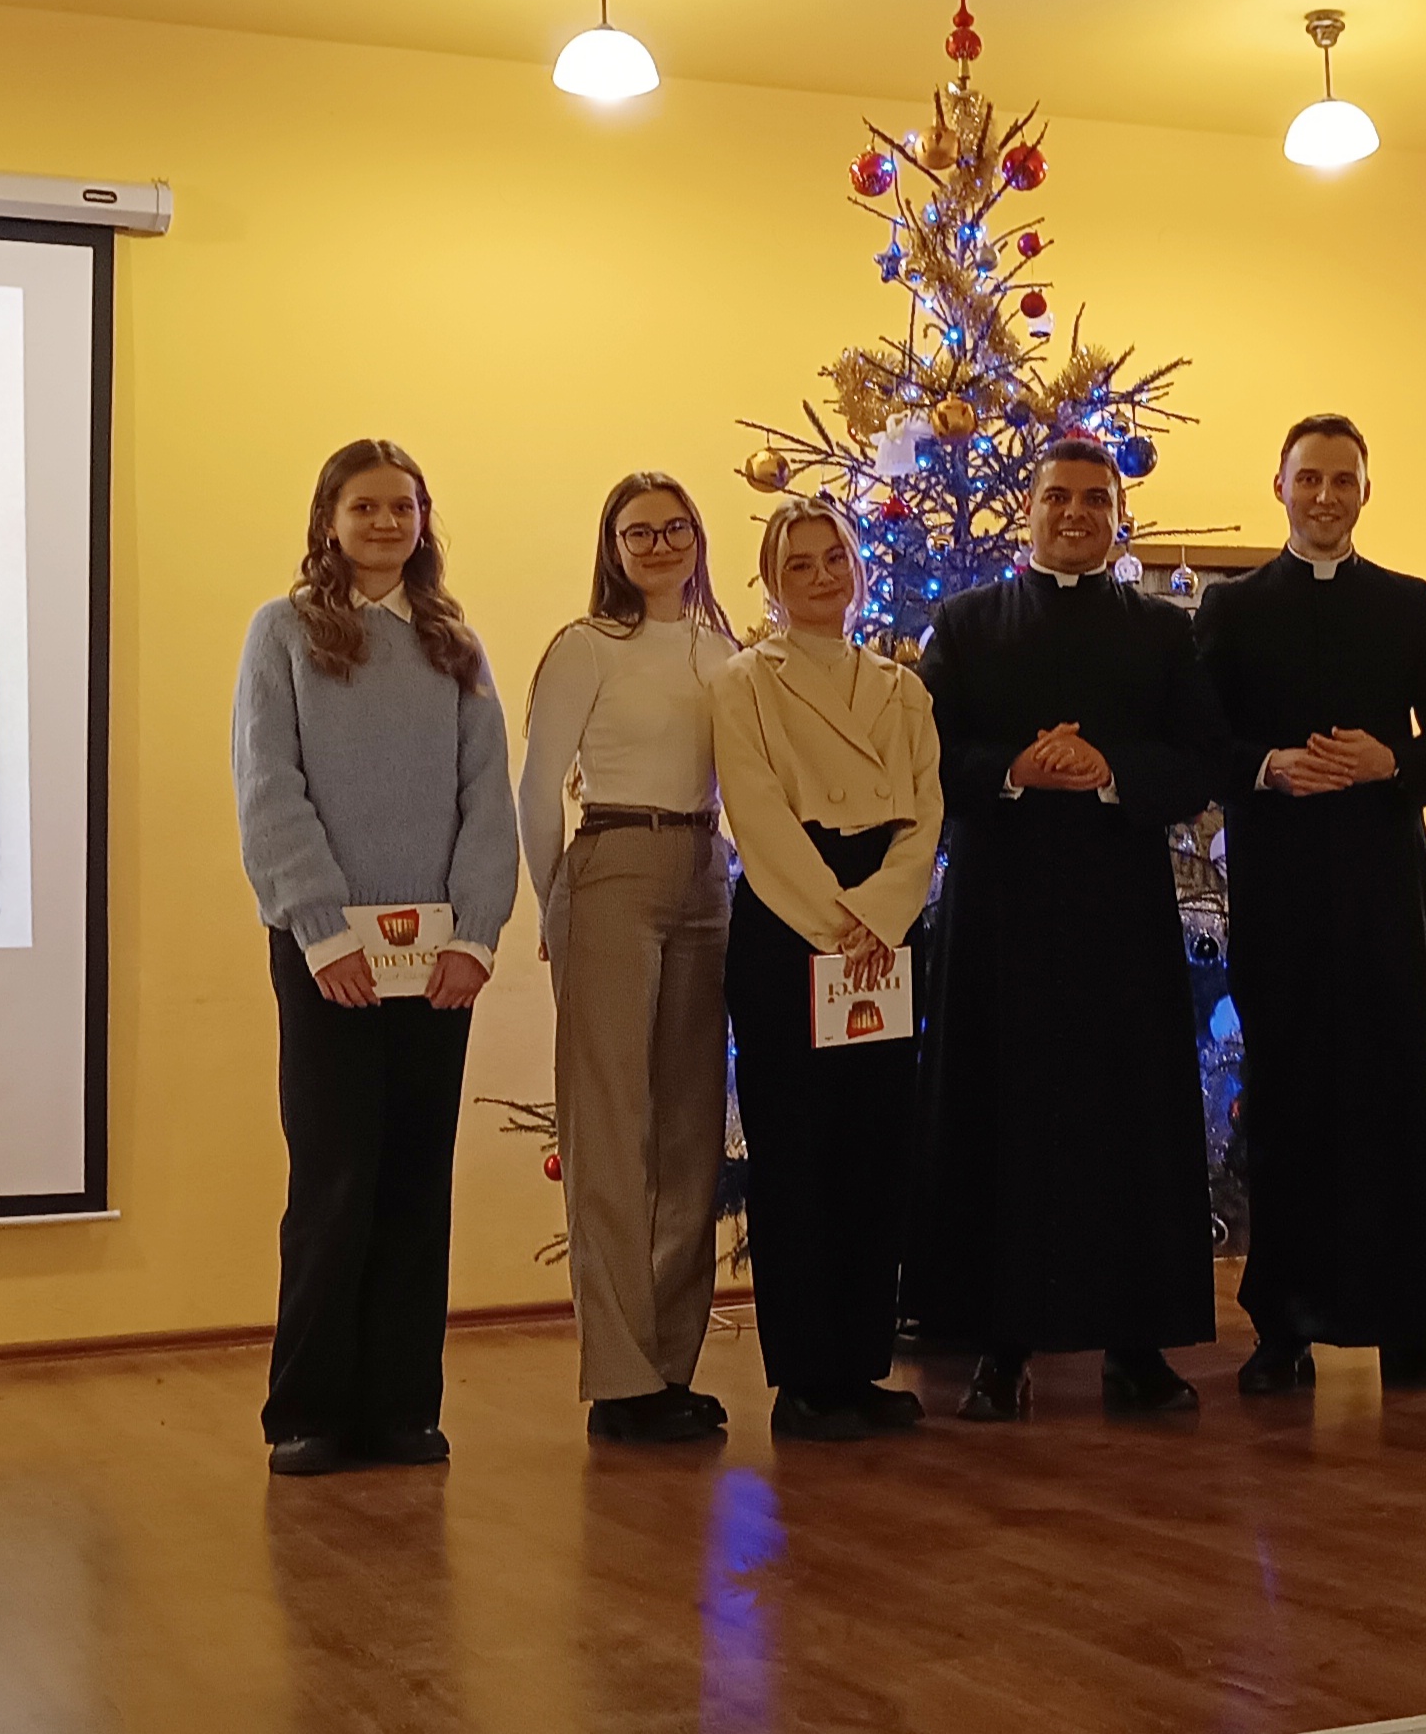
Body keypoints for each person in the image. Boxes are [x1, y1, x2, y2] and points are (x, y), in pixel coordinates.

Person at [910, 438, 1239, 1421]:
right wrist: (1014, 768)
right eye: (1059, 496)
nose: (1076, 513)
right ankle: (998, 1347)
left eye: (1096, 499)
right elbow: (927, 755)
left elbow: (1201, 756)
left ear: (1116, 517)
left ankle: (1136, 1347)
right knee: (998, 1118)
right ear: (1031, 508)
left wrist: (1110, 770)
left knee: (1128, 1123)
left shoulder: (1162, 632)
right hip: (998, 916)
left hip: (1119, 915)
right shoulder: (965, 624)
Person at [231, 438, 518, 1476]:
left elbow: (486, 796)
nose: (387, 522)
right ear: (330, 519)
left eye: (404, 506)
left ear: (422, 519)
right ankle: (307, 1413)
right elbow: (269, 786)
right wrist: (322, 929)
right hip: (330, 959)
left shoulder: (453, 646)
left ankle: (402, 1408)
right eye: (366, 506)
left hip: (437, 964)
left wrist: (476, 935)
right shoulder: (282, 632)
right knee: (334, 1179)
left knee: (414, 1180)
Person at [1192, 415, 1426, 1395]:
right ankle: (1286, 1323)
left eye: (1343, 480)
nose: (1325, 495)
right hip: (1277, 880)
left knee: (1400, 1087)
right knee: (1288, 1094)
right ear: (1278, 485)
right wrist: (1270, 765)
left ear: (1367, 491)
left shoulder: (1409, 603)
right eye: (1308, 478)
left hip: (1382, 883)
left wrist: (1390, 760)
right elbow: (1198, 740)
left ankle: (1414, 1321)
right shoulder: (1230, 608)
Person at [518, 473, 743, 1444]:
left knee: (692, 1131)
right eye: (637, 531)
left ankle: (668, 1368)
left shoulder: (723, 650)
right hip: (610, 863)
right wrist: (551, 899)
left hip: (705, 872)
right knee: (611, 1130)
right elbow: (537, 787)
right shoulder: (585, 646)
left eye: (674, 528)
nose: (658, 544)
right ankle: (618, 1376)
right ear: (612, 547)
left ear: (697, 539)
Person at [712, 497, 943, 1440]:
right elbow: (755, 812)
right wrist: (836, 922)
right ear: (771, 581)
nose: (818, 577)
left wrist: (882, 914)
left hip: (882, 923)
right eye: (797, 563)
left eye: (832, 558)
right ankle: (805, 1377)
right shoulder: (742, 682)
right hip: (789, 919)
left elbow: (925, 812)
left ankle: (859, 1362)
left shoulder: (901, 688)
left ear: (857, 569)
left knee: (874, 1147)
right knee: (797, 1152)